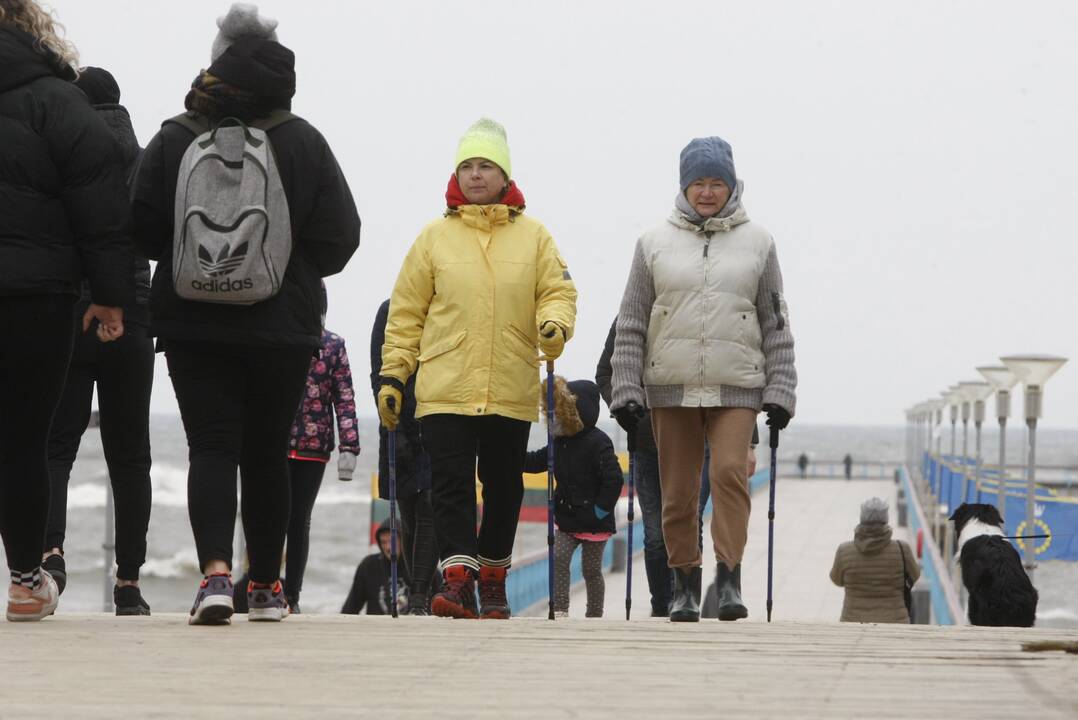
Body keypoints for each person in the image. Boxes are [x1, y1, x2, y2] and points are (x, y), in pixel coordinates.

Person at [131, 5, 360, 625]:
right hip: (281, 326)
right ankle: (264, 587)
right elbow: (342, 237)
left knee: (211, 445)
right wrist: (286, 267)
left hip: (191, 321)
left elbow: (140, 225)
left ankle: (213, 579)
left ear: (215, 61)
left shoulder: (177, 135)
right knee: (265, 453)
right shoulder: (303, 140)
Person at [378, 118, 577, 620]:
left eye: (485, 165)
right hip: (445, 382)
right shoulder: (433, 239)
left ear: (504, 174)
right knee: (450, 483)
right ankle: (458, 581)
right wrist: (394, 375)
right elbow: (406, 313)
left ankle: (493, 580)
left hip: (509, 380)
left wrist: (554, 324)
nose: (475, 175)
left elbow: (557, 291)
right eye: (466, 166)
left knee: (505, 483)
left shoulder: (535, 237)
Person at [610, 136, 797, 623]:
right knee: (678, 492)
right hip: (670, 389)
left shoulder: (759, 241)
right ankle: (684, 586)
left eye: (718, 183)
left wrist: (780, 392)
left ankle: (729, 580)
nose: (708, 192)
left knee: (729, 473)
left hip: (737, 386)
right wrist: (626, 391)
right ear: (684, 186)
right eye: (699, 182)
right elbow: (630, 323)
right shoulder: (652, 243)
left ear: (732, 186)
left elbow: (775, 321)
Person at [1, 0, 134, 622]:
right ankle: (28, 582)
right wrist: (110, 293)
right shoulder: (56, 99)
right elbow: (100, 198)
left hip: (40, 287)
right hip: (38, 293)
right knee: (25, 438)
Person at [43, 66, 154, 616]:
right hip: (132, 316)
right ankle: (129, 583)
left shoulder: (62, 153)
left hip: (73, 315)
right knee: (130, 457)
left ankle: (50, 555)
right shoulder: (144, 159)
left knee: (55, 448)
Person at [284, 283, 360, 613]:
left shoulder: (332, 346)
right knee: (270, 516)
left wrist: (350, 447)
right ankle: (266, 582)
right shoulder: (279, 340)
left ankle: (292, 595)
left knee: (299, 519)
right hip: (274, 443)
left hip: (313, 449)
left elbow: (344, 398)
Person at [525, 378, 623, 618]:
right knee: (559, 559)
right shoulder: (560, 441)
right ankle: (559, 609)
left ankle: (594, 613)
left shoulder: (599, 442)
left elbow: (614, 480)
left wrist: (600, 511)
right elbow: (539, 461)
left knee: (591, 570)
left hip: (595, 521)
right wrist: (513, 456)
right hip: (568, 519)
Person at [596, 318, 670, 615]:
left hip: (691, 440)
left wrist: (749, 441)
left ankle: (683, 601)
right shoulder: (628, 316)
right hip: (645, 442)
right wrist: (623, 405)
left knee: (686, 528)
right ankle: (662, 605)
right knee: (654, 534)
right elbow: (605, 372)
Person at [371, 298, 437, 615]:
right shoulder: (389, 310)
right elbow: (378, 371)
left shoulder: (445, 310)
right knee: (409, 512)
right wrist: (390, 420)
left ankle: (421, 594)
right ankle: (414, 588)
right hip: (398, 424)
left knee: (431, 506)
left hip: (438, 419)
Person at [830, 497, 919, 623]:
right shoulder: (902, 549)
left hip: (853, 622)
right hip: (895, 623)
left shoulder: (844, 550)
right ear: (885, 519)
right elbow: (914, 576)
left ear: (862, 519)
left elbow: (837, 580)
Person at [341, 521, 410, 616]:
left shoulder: (419, 566)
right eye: (383, 542)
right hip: (377, 628)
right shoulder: (368, 566)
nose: (388, 547)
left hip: (413, 628)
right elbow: (351, 607)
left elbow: (436, 600)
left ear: (403, 540)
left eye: (392, 541)